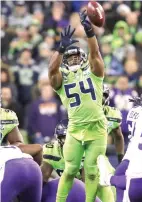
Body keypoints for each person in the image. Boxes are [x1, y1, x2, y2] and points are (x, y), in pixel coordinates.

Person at [48, 10, 108, 202]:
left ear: (84, 60)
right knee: (70, 169)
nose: (74, 59)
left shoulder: (94, 73)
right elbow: (51, 71)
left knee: (91, 170)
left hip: (97, 126)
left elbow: (96, 54)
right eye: (70, 57)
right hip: (74, 128)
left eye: (77, 57)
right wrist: (59, 49)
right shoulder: (62, 79)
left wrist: (90, 32)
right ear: (65, 61)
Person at [98, 96, 142, 202]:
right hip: (139, 162)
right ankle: (109, 179)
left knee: (121, 173)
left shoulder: (138, 113)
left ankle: (108, 179)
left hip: (136, 160)